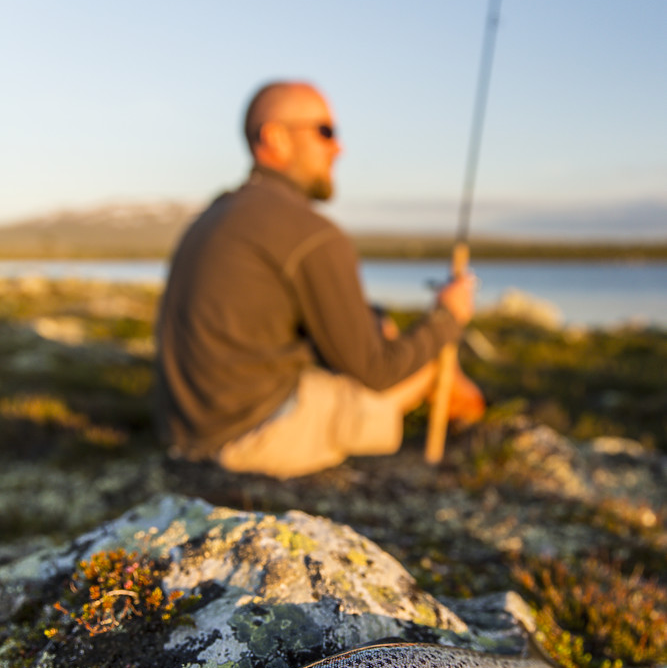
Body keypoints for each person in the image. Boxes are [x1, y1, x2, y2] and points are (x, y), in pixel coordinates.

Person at [156, 81, 484, 478]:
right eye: (325, 132)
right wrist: (447, 318)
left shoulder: (216, 215)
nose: (339, 147)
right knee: (426, 368)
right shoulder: (311, 233)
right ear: (275, 137)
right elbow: (376, 371)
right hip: (252, 437)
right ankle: (477, 432)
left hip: (188, 430)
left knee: (385, 330)